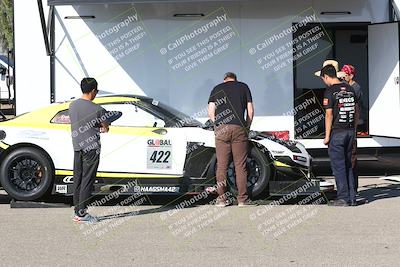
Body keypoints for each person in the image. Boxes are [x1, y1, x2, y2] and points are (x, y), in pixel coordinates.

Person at [208, 72, 254, 207]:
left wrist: (217, 124)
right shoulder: (243, 87)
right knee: (240, 165)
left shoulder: (217, 88)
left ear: (224, 80)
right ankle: (242, 200)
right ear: (235, 79)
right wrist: (247, 127)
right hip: (238, 127)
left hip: (222, 129)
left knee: (221, 165)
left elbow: (211, 111)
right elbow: (250, 111)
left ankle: (222, 199)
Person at [69, 78, 109, 222]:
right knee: (87, 180)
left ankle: (77, 211)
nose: (96, 94)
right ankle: (82, 213)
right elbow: (105, 128)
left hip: (77, 147)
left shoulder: (72, 105)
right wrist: (101, 127)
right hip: (91, 148)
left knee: (78, 180)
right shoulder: (98, 109)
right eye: (96, 91)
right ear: (93, 90)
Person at [320, 65, 359, 207]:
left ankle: (343, 198)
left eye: (323, 79)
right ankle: (352, 197)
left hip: (337, 133)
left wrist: (327, 136)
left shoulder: (330, 91)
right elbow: (356, 111)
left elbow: (329, 115)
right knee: (349, 164)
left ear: (326, 77)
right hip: (350, 131)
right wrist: (353, 130)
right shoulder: (350, 89)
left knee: (339, 166)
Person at [341, 64, 362, 193]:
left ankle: (353, 188)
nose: (343, 78)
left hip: (352, 125)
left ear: (351, 76)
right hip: (346, 125)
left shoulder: (355, 88)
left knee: (352, 156)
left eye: (345, 76)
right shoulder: (348, 86)